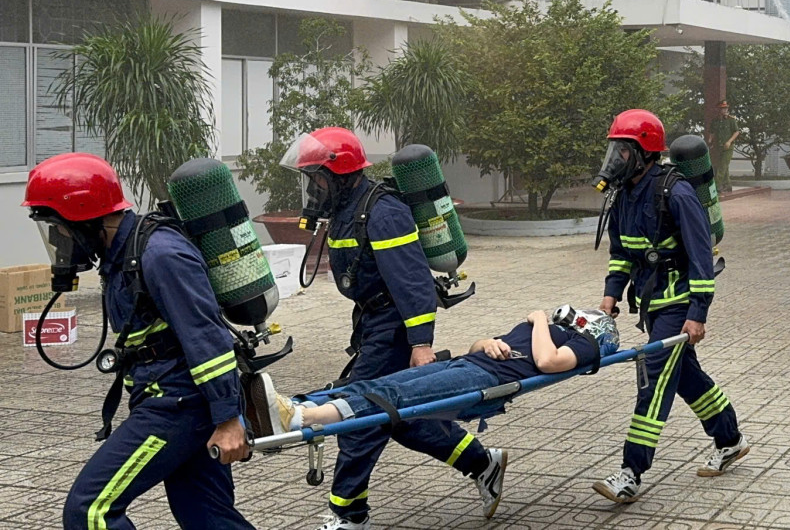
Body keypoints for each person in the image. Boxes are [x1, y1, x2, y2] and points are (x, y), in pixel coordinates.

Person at [283, 127, 502, 529]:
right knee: (403, 420)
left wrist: (421, 344)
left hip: (395, 327)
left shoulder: (383, 212)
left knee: (358, 415)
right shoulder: (346, 212)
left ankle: (348, 515)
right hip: (372, 324)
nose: (312, 188)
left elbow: (414, 282)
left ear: (340, 174)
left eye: (316, 178)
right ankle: (483, 463)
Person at [23, 153, 255, 530]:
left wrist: (229, 418)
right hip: (169, 400)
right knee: (206, 515)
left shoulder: (160, 253)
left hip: (178, 407)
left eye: (57, 227)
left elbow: (207, 338)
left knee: (91, 511)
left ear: (83, 215)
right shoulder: (123, 254)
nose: (57, 239)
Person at [595, 109, 746, 503]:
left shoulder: (675, 193)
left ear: (644, 153)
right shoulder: (624, 196)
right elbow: (621, 254)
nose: (615, 160)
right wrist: (611, 294)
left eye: (622, 152)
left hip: (678, 303)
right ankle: (729, 439)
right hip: (651, 303)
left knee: (654, 380)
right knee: (683, 376)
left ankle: (631, 471)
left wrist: (698, 313)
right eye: (613, 150)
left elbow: (701, 259)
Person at [252, 306, 618, 465]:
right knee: (381, 382)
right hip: (471, 362)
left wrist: (539, 320)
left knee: (395, 397)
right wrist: (485, 342)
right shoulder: (551, 332)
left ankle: (302, 419)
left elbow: (548, 363)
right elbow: (481, 346)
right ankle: (289, 407)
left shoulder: (584, 344)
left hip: (488, 379)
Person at [706, 101, 743, 193]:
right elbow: (712, 132)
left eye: (726, 108)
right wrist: (710, 141)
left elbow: (736, 132)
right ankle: (728, 185)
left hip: (728, 147)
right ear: (719, 110)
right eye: (723, 108)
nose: (725, 110)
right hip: (718, 146)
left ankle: (716, 187)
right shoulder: (715, 121)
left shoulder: (731, 120)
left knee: (722, 167)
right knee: (723, 166)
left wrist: (729, 141)